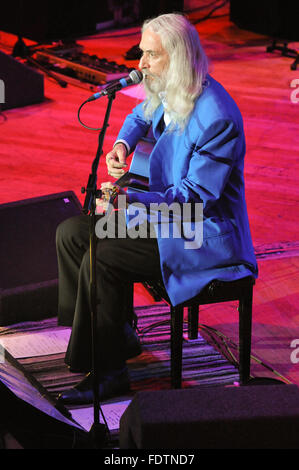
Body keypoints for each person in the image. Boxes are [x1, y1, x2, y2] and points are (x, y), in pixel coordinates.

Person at [56, 13, 258, 405]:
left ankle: (110, 371)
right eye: (141, 53)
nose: (141, 64)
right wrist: (123, 146)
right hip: (169, 216)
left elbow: (195, 202)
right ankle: (112, 336)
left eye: (151, 55)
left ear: (179, 57)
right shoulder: (169, 86)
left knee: (105, 252)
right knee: (73, 233)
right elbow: (138, 116)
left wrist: (129, 201)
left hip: (202, 232)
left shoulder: (217, 118)